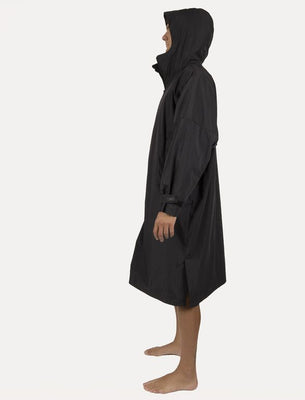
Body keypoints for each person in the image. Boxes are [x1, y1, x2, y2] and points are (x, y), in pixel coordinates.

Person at [128, 7, 227, 394]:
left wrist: (171, 204)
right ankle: (180, 343)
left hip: (185, 199)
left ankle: (188, 373)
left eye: (168, 29)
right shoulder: (184, 79)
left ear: (186, 33)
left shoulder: (196, 80)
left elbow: (192, 141)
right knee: (174, 268)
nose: (163, 36)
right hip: (177, 195)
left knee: (186, 276)